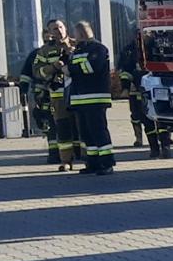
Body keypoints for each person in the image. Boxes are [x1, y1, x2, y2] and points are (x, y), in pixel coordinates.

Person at [66, 21, 117, 175]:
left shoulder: (98, 49)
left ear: (81, 33)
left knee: (98, 131)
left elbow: (90, 67)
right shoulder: (77, 50)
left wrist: (69, 69)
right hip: (80, 99)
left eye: (75, 33)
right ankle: (93, 162)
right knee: (86, 133)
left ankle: (107, 163)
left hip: (95, 98)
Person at [34, 20, 81, 172]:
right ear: (50, 33)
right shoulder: (44, 51)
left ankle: (89, 159)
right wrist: (53, 67)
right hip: (58, 95)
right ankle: (66, 161)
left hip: (78, 92)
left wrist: (71, 52)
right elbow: (37, 72)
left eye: (60, 27)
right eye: (55, 28)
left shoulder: (78, 44)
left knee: (83, 126)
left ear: (65, 28)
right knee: (63, 127)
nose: (59, 30)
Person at [17, 32, 59, 163]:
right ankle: (54, 153)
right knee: (49, 123)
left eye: (51, 39)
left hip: (60, 93)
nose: (48, 42)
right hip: (43, 95)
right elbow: (26, 73)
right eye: (46, 39)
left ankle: (73, 153)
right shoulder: (36, 54)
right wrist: (23, 90)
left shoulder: (64, 50)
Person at [117, 35, 147, 148]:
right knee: (135, 115)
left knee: (156, 116)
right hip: (134, 89)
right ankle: (138, 139)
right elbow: (123, 70)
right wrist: (126, 86)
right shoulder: (128, 51)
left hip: (151, 90)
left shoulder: (152, 47)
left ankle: (164, 139)